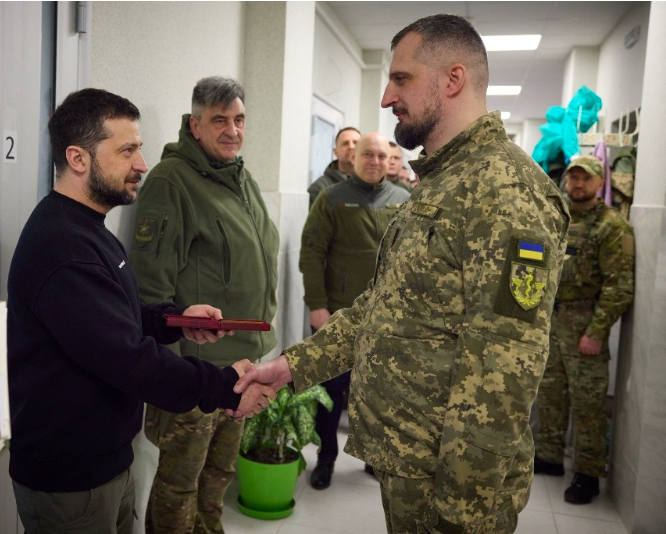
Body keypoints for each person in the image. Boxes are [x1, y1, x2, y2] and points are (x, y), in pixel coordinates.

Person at [233, 14, 570, 533]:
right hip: (410, 460)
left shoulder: (503, 189)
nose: (388, 97)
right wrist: (294, 367)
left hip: (451, 484)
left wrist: (461, 510)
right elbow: (382, 304)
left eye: (401, 79)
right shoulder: (440, 181)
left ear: (452, 80)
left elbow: (504, 368)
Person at [7, 88, 274, 534]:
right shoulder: (64, 247)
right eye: (127, 150)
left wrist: (176, 320)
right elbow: (127, 359)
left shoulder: (88, 228)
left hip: (105, 459)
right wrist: (225, 386)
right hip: (72, 477)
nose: (142, 164)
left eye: (139, 148)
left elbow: (112, 320)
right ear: (78, 159)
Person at [130, 77, 279, 534]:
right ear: (195, 126)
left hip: (239, 363)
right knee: (179, 486)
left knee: (218, 477)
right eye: (219, 120)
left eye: (238, 120)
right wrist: (170, 379)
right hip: (193, 372)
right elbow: (151, 291)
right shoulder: (171, 182)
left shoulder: (242, 179)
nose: (232, 130)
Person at [300, 132, 410, 490]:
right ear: (354, 157)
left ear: (390, 159)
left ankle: (373, 459)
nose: (375, 161)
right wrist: (317, 305)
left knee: (380, 394)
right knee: (332, 394)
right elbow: (312, 254)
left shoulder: (404, 199)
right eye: (368, 155)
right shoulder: (333, 199)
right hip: (339, 316)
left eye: (381, 155)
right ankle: (326, 458)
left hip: (389, 320)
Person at [534, 155, 634, 505]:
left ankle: (588, 473)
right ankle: (548, 457)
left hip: (585, 324)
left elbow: (619, 286)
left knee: (588, 402)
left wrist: (596, 331)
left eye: (585, 179)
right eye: (573, 178)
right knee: (550, 392)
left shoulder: (612, 226)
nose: (577, 184)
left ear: (599, 183)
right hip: (551, 320)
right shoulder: (557, 217)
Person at [307, 126, 361, 207]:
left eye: (355, 143)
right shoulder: (319, 188)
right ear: (336, 152)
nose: (351, 147)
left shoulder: (372, 185)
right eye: (345, 143)